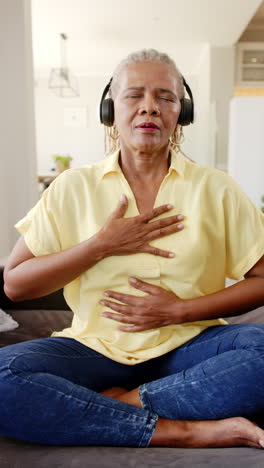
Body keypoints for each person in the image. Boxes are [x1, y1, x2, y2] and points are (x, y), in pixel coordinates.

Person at [2, 48, 264, 449]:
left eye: (165, 97)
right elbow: (15, 285)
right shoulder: (73, 187)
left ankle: (123, 403)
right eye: (134, 95)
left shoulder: (217, 188)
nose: (150, 108)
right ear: (110, 109)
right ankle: (180, 430)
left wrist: (179, 310)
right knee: (5, 376)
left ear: (182, 112)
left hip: (189, 345)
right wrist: (100, 246)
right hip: (93, 347)